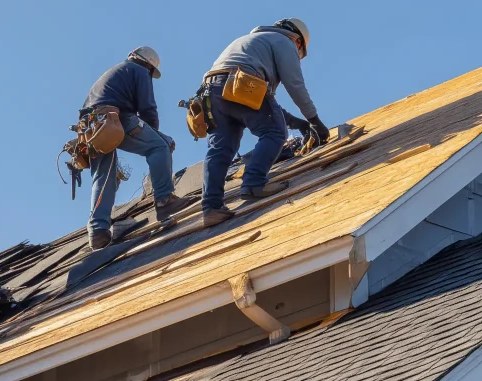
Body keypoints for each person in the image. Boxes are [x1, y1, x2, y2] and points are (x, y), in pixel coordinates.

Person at [201, 18, 330, 227]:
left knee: (220, 150)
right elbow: (294, 84)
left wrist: (297, 123)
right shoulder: (284, 42)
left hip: (211, 91)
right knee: (274, 133)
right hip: (240, 82)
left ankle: (211, 208)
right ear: (297, 41)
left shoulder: (251, 42)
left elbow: (261, 101)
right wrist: (314, 120)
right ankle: (254, 183)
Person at [81, 47, 186, 252]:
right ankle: (165, 200)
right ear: (148, 65)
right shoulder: (139, 71)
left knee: (104, 175)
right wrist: (157, 135)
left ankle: (98, 231)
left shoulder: (117, 71)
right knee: (160, 147)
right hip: (113, 118)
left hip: (90, 126)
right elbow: (147, 108)